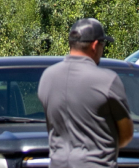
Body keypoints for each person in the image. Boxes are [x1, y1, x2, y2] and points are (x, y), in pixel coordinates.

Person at [37, 18, 133, 168]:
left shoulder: (47, 78)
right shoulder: (107, 80)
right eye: (103, 44)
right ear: (95, 45)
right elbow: (126, 134)